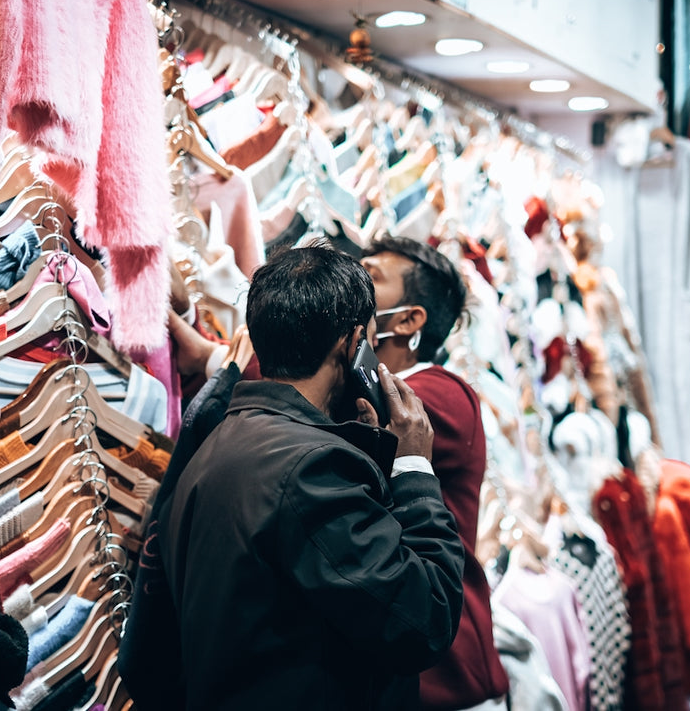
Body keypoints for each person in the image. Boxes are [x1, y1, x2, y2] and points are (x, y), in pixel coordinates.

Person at [160, 243, 465, 710]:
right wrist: (414, 467)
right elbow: (426, 619)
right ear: (353, 343)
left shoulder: (213, 447)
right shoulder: (314, 471)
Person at [361, 236, 511, 711]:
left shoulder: (439, 395)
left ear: (407, 319)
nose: (354, 281)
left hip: (445, 675)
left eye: (372, 276)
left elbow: (333, 410)